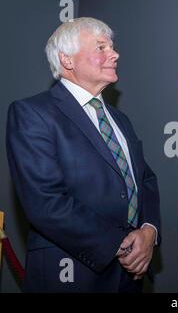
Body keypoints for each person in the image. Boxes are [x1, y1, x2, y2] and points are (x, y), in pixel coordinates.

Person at [6, 17, 161, 293]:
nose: (114, 54)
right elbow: (46, 202)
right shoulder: (32, 114)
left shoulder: (120, 119)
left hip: (130, 278)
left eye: (112, 47)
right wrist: (120, 245)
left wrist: (149, 231)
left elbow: (145, 179)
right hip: (71, 275)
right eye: (101, 47)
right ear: (67, 60)